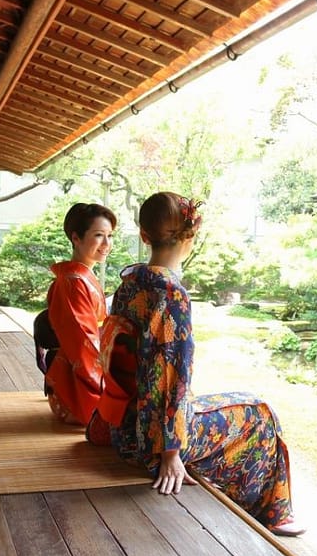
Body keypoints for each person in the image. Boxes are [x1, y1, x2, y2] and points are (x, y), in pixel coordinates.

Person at [95, 192, 304, 536]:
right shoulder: (170, 294)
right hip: (152, 445)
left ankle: (254, 504)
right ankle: (273, 514)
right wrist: (170, 453)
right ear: (190, 236)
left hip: (124, 429)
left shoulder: (130, 285)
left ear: (144, 236)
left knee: (226, 407)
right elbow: (170, 378)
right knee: (259, 413)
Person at [44, 202, 116, 425]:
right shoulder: (74, 283)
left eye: (110, 236)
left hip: (79, 376)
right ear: (76, 238)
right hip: (76, 390)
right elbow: (83, 344)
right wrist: (112, 387)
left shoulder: (80, 277)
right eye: (99, 235)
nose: (107, 244)